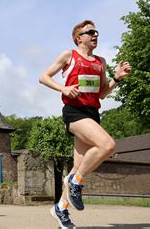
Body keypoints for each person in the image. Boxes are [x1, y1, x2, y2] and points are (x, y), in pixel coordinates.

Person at [39, 20, 131, 228]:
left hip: (92, 113)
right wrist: (63, 89)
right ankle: (75, 182)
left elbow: (102, 93)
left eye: (96, 31)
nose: (95, 34)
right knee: (107, 145)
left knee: (78, 167)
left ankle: (60, 209)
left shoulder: (101, 62)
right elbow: (43, 77)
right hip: (74, 112)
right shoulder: (68, 55)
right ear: (78, 38)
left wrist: (116, 78)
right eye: (90, 32)